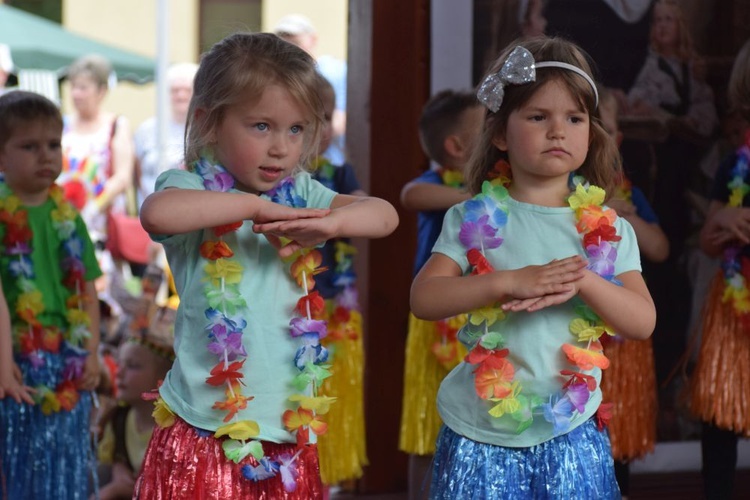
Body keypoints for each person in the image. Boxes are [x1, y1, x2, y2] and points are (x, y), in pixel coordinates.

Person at [133, 32, 398, 499]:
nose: (281, 147)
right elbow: (157, 213)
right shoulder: (192, 187)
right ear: (209, 122)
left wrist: (331, 223)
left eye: (295, 129)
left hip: (287, 433)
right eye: (261, 127)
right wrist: (251, 208)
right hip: (205, 428)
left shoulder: (301, 192)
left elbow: (384, 214)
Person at [410, 37, 656, 498]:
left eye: (574, 118)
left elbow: (642, 321)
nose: (558, 130)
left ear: (590, 131)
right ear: (501, 133)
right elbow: (424, 299)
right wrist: (508, 282)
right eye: (539, 116)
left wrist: (583, 279)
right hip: (480, 432)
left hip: (571, 431)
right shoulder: (472, 218)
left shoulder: (608, 229)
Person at [0, 90, 102, 499]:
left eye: (53, 145)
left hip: (66, 359)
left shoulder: (68, 215)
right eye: (29, 146)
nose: (45, 156)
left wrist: (91, 351)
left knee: (63, 469)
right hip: (16, 361)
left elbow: (87, 290)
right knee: (18, 469)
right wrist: (3, 362)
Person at [624, 0, 718, 387]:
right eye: (657, 20)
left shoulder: (692, 72)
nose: (662, 27)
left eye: (669, 21)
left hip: (688, 175)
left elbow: (705, 119)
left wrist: (682, 121)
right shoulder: (649, 67)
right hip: (658, 174)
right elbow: (639, 108)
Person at [397, 89, 481, 499]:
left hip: (482, 320)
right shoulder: (435, 185)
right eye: (488, 128)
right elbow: (411, 195)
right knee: (426, 426)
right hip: (436, 324)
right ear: (456, 147)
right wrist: (477, 199)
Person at [598, 85, 667, 498]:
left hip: (623, 342)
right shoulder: (555, 195)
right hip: (575, 335)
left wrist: (624, 215)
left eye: (601, 127)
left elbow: (660, 248)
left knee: (619, 431)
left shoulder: (630, 195)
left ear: (616, 138)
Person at [689, 38, 750, 500]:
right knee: (720, 412)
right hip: (732, 305)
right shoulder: (735, 163)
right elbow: (710, 240)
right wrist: (722, 221)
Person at [308, 73, 369, 490]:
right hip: (289, 307)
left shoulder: (337, 172)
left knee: (330, 391)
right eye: (312, 117)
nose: (323, 126)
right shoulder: (267, 183)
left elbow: (372, 209)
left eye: (328, 116)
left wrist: (330, 219)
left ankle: (326, 478)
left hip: (332, 302)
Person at [60, 54, 135, 246]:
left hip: (102, 221)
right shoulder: (62, 124)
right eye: (74, 87)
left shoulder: (116, 125)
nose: (76, 94)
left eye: (83, 88)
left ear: (101, 91)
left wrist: (90, 206)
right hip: (63, 216)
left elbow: (123, 177)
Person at [96, 321, 174, 500]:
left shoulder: (174, 430)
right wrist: (117, 465)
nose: (119, 373)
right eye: (120, 364)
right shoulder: (118, 419)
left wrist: (115, 491)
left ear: (162, 377)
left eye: (132, 366)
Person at [274, 14, 348, 165]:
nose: (289, 46)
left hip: (329, 160)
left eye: (295, 40)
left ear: (312, 39)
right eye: (283, 41)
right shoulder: (276, 77)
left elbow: (343, 119)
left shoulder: (333, 70)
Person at [134, 62, 199, 206]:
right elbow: (136, 170)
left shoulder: (203, 129)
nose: (181, 96)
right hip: (149, 210)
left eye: (187, 90)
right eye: (175, 90)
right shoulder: (147, 129)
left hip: (189, 209)